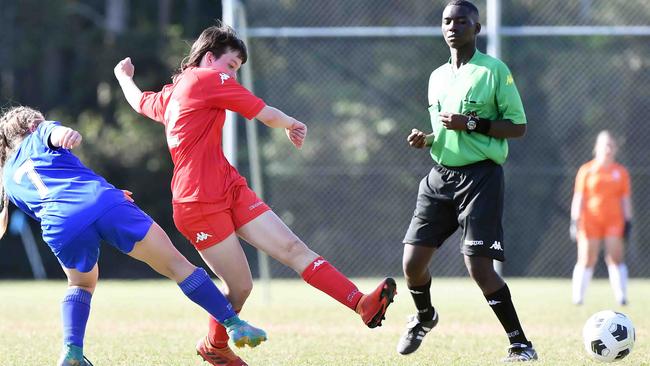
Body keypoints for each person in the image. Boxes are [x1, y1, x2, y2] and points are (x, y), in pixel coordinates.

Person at [114, 23, 397, 366]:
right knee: (241, 287)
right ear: (208, 58)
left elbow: (139, 101)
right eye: (230, 66)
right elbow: (262, 112)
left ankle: (361, 303)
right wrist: (291, 123)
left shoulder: (171, 93)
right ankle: (214, 346)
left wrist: (123, 77)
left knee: (293, 249)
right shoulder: (206, 79)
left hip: (229, 186)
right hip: (197, 202)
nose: (232, 76)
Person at [0, 106, 267, 366]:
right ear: (32, 125)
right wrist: (67, 135)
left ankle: (72, 351)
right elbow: (55, 134)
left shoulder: (9, 179)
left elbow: (52, 200)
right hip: (104, 202)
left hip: (60, 224)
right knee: (177, 265)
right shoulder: (40, 132)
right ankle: (234, 324)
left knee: (80, 285)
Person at [396, 1, 537, 362]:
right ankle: (425, 317)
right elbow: (445, 131)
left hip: (480, 178)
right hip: (439, 176)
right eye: (447, 21)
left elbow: (517, 127)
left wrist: (471, 123)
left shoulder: (493, 71)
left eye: (461, 21)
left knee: (479, 267)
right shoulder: (437, 76)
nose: (453, 26)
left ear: (476, 28)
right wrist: (426, 139)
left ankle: (520, 344)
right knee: (412, 264)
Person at [570, 130, 632, 306]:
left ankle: (622, 297)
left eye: (611, 145)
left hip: (614, 221)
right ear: (597, 147)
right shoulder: (586, 170)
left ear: (615, 149)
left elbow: (625, 199)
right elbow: (579, 197)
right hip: (590, 221)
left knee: (615, 257)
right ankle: (578, 298)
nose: (608, 149)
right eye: (605, 145)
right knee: (587, 258)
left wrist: (628, 221)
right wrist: (574, 220)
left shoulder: (621, 172)